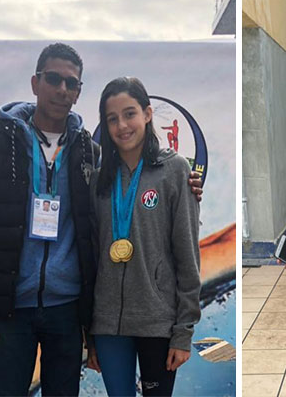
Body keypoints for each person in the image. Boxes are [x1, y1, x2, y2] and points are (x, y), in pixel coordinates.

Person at [0, 43, 203, 396]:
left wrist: (188, 185)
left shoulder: (89, 153)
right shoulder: (0, 142)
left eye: (71, 83)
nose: (61, 89)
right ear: (35, 83)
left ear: (78, 92)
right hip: (10, 306)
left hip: (67, 309)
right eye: (52, 79)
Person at [85, 77, 200, 397]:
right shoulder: (98, 181)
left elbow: (187, 255)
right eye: (112, 119)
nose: (122, 125)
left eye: (129, 114)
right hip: (108, 325)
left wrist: (183, 332)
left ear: (148, 114)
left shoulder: (175, 170)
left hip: (157, 322)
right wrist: (89, 334)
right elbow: (91, 258)